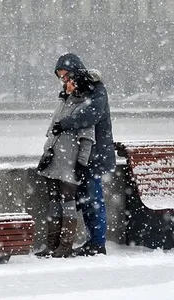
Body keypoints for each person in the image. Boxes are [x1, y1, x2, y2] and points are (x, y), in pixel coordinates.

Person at [50, 53, 116, 256]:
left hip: (96, 155)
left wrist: (66, 124)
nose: (64, 81)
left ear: (74, 72)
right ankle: (92, 241)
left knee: (94, 200)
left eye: (65, 76)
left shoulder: (96, 89)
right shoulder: (75, 91)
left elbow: (91, 115)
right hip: (81, 157)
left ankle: (98, 244)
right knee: (86, 201)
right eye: (61, 78)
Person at [34, 61, 96, 258]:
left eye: (68, 79)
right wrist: (46, 153)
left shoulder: (85, 106)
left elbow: (87, 140)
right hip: (54, 159)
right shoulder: (63, 101)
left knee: (67, 200)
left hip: (70, 161)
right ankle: (52, 243)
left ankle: (65, 245)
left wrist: (81, 164)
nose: (64, 83)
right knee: (53, 199)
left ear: (77, 82)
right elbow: (52, 131)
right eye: (62, 79)